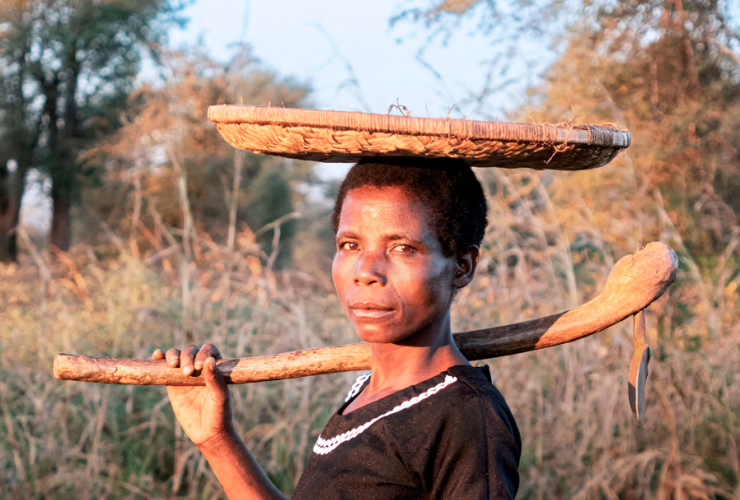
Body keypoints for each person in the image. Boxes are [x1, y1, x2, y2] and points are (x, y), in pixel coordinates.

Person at [153, 157, 522, 499]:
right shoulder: (371, 390)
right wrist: (216, 440)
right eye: (350, 245)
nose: (365, 272)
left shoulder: (465, 417)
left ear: (462, 267)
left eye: (403, 249)